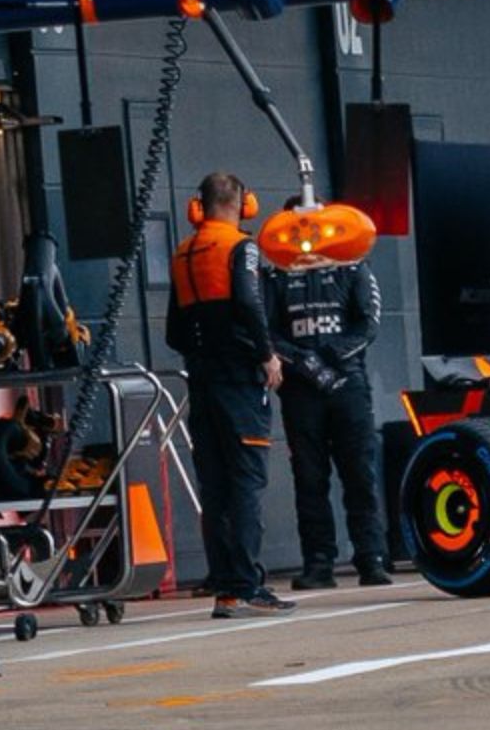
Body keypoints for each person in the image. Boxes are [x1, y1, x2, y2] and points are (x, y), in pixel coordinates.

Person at [166, 172, 295, 618]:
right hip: (239, 382)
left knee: (215, 486)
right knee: (246, 484)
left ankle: (225, 585)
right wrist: (266, 354)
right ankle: (246, 586)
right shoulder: (242, 248)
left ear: (198, 206)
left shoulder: (182, 253)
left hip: (202, 382)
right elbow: (248, 301)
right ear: (243, 204)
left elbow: (173, 332)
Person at [265, 221, 391, 589]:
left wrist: (329, 356)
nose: (305, 236)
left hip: (347, 384)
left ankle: (371, 558)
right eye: (296, 228)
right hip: (300, 390)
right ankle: (319, 563)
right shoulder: (274, 276)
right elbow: (265, 330)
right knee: (309, 478)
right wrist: (302, 361)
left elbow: (368, 324)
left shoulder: (352, 267)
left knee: (360, 473)